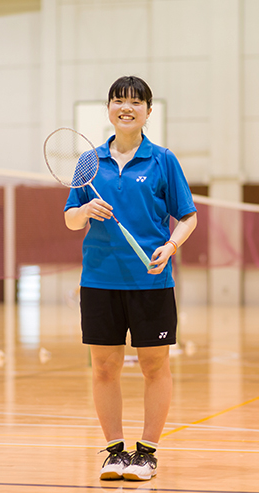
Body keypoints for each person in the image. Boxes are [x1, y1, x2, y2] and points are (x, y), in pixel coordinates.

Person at [64, 76, 197, 481]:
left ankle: (148, 452)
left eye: (135, 102)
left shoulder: (162, 160)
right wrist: (87, 211)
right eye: (119, 101)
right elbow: (70, 218)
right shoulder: (90, 162)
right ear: (108, 109)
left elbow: (188, 216)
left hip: (151, 280)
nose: (127, 107)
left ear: (148, 112)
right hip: (100, 279)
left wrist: (171, 247)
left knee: (154, 367)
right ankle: (114, 452)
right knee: (104, 367)